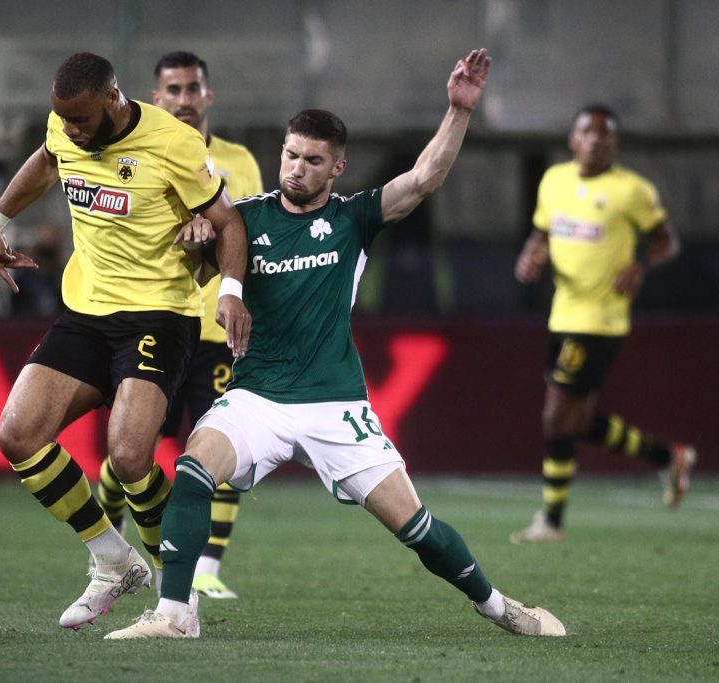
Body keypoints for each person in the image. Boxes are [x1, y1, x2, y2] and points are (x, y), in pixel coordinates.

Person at [107, 49, 565, 640]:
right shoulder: (243, 220)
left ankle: (499, 606)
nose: (297, 169)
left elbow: (424, 178)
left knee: (415, 526)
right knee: (194, 471)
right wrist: (196, 239)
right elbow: (195, 271)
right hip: (257, 396)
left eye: (313, 160)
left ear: (337, 168)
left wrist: (458, 111)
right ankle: (175, 615)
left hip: (335, 402)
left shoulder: (355, 219)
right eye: (291, 155)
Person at [0, 52, 251, 630]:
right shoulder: (65, 127)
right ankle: (111, 559)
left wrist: (230, 290)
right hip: (85, 312)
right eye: (64, 119)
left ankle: (176, 595)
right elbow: (48, 160)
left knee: (128, 458)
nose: (72, 130)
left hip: (159, 314)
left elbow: (229, 222)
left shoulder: (173, 144)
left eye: (80, 119)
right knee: (17, 435)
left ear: (113, 98)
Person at [95, 50, 264, 601]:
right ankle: (109, 542)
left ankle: (208, 567)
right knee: (131, 450)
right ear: (156, 97)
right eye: (174, 90)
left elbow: (250, 234)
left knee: (225, 449)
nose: (184, 99)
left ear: (208, 96)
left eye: (193, 89)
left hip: (220, 333)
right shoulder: (137, 156)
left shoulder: (239, 162)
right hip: (158, 322)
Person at [509, 104, 696, 543]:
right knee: (576, 419)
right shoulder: (554, 181)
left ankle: (552, 521)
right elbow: (541, 233)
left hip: (600, 319)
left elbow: (667, 241)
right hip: (563, 312)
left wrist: (640, 265)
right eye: (586, 131)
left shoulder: (631, 190)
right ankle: (669, 457)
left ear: (615, 143)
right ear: (572, 139)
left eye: (603, 133)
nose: (594, 139)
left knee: (556, 417)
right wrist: (531, 254)